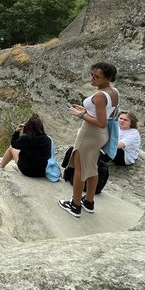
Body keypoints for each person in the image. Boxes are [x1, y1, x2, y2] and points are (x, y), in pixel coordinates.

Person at [59, 62, 120, 217]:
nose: (92, 78)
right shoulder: (113, 92)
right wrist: (86, 110)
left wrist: (80, 114)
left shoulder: (99, 95)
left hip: (90, 134)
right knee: (92, 167)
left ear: (108, 78)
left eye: (96, 76)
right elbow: (106, 114)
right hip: (100, 135)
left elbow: (101, 122)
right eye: (91, 74)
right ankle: (89, 201)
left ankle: (75, 205)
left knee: (79, 169)